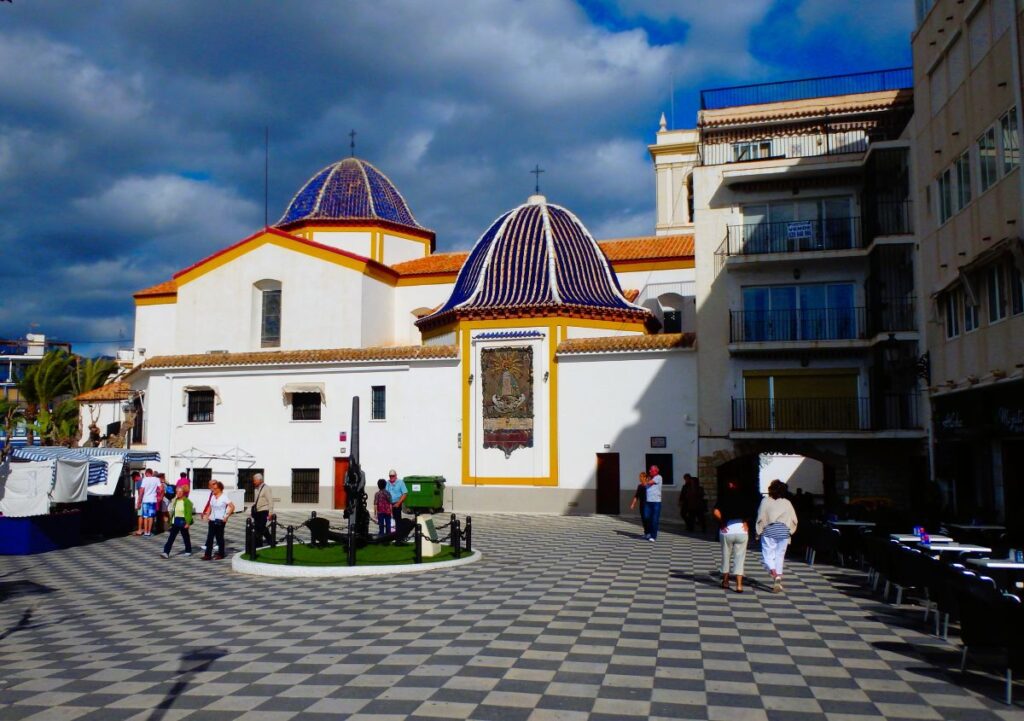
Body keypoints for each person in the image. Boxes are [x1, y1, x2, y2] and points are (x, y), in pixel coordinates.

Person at [756, 479, 799, 593]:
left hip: (769, 531)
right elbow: (794, 519)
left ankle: (775, 575)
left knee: (767, 555)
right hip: (783, 532)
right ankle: (779, 577)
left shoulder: (765, 501)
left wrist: (758, 531)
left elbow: (760, 517)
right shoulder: (787, 503)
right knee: (780, 556)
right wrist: (790, 531)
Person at [713, 479, 749, 593]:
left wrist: (722, 521)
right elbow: (750, 513)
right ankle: (739, 585)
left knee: (726, 556)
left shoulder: (724, 497)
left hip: (727, 529)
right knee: (740, 558)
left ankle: (725, 581)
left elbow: (715, 512)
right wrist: (745, 522)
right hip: (741, 530)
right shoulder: (744, 497)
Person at [201, 480, 234, 560]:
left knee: (219, 537)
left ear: (219, 489)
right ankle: (207, 555)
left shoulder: (224, 497)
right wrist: (207, 515)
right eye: (213, 488)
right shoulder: (213, 496)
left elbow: (232, 507)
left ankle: (221, 554)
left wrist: (226, 516)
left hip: (220, 520)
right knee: (210, 537)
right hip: (212, 519)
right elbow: (210, 506)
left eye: (215, 489)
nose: (213, 490)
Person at [161, 484, 194, 558]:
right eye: (177, 492)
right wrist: (170, 521)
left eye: (180, 492)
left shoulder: (187, 502)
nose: (178, 493)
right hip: (176, 521)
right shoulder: (176, 500)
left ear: (183, 492)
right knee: (171, 537)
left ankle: (188, 550)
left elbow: (189, 513)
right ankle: (166, 552)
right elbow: (174, 512)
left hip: (183, 520)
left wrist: (188, 523)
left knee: (185, 536)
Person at [250, 473, 274, 546]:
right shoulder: (257, 489)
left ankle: (259, 543)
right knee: (260, 527)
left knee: (260, 527)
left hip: (264, 511)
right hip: (257, 511)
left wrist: (270, 513)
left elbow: (270, 501)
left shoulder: (266, 488)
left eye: (255, 481)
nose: (254, 482)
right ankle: (270, 541)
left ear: (259, 480)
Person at [137, 469, 163, 537]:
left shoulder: (145, 479)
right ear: (151, 473)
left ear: (147, 473)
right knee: (151, 517)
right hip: (153, 500)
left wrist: (139, 501)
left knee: (145, 517)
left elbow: (141, 490)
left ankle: (145, 532)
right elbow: (161, 489)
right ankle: (149, 532)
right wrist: (160, 497)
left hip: (145, 500)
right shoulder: (156, 479)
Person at [642, 464, 663, 542]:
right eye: (650, 469)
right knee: (646, 518)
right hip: (648, 502)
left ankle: (653, 536)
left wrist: (645, 480)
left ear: (656, 471)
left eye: (651, 470)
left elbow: (646, 483)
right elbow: (644, 483)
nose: (649, 471)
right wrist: (645, 479)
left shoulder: (658, 477)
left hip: (656, 502)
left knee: (654, 519)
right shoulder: (649, 477)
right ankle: (648, 533)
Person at [629, 471, 649, 537]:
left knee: (647, 519)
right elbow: (636, 496)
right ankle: (646, 533)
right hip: (642, 505)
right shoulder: (639, 486)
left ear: (645, 477)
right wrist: (633, 504)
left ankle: (650, 533)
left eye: (641, 477)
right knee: (643, 518)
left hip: (648, 505)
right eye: (639, 477)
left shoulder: (648, 486)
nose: (639, 478)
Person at [131, 471, 144, 536]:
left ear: (135, 476)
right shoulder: (144, 480)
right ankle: (146, 530)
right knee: (147, 516)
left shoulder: (139, 482)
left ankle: (139, 529)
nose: (133, 480)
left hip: (142, 500)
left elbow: (140, 493)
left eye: (133, 478)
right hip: (147, 500)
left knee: (140, 515)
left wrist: (139, 502)